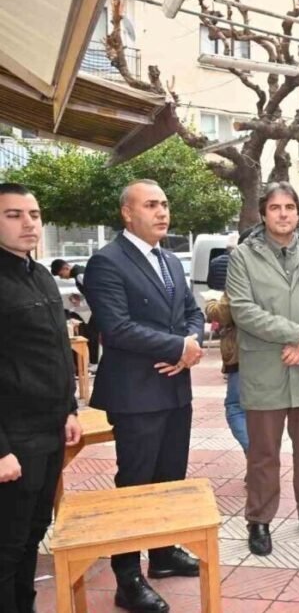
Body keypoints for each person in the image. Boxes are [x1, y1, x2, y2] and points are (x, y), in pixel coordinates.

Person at [83, 179, 205, 612]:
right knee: (134, 484)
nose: (162, 212)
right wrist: (178, 347)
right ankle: (127, 576)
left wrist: (190, 345)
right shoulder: (106, 262)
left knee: (170, 477)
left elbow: (193, 312)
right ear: (127, 213)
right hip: (135, 393)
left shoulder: (170, 259)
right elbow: (115, 328)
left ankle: (163, 553)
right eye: (151, 205)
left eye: (165, 204)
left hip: (175, 387)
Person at [226, 183, 299, 555]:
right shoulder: (243, 256)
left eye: (290, 207)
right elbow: (243, 310)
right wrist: (298, 334)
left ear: (298, 213)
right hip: (267, 366)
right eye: (275, 207)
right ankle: (259, 519)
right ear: (263, 213)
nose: (283, 214)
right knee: (264, 453)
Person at [0, 184, 82, 613]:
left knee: (34, 533)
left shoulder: (41, 275)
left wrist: (69, 408)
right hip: (13, 441)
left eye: (33, 213)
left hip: (49, 432)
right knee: (7, 544)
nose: (28, 222)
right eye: (14, 215)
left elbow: (54, 350)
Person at [203, 290, 248, 452]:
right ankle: (258, 465)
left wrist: (210, 302)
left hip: (241, 353)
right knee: (261, 414)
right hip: (270, 355)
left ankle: (259, 459)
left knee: (235, 409)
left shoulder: (241, 275)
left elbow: (222, 314)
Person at [51, 257, 100, 363]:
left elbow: (96, 293)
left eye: (61, 275)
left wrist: (81, 302)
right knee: (92, 332)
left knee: (92, 333)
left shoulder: (79, 275)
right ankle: (93, 362)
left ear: (65, 268)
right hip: (99, 307)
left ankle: (94, 362)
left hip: (100, 307)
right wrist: (80, 297)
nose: (63, 278)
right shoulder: (80, 273)